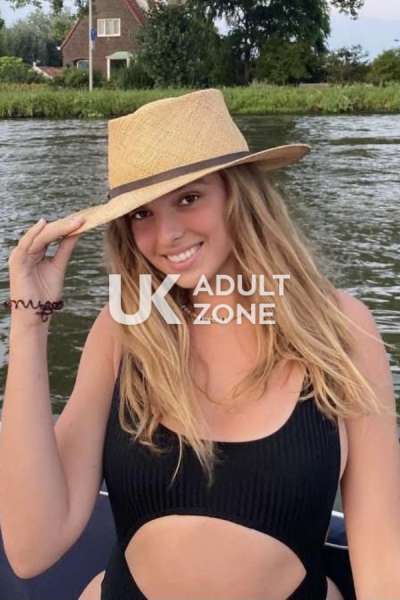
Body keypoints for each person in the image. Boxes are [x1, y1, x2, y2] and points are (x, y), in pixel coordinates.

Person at [0, 88, 399, 600]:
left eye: (189, 198)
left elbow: (382, 559)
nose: (166, 235)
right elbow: (32, 548)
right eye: (141, 214)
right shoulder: (123, 329)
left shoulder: (341, 328)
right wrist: (30, 323)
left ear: (239, 194)